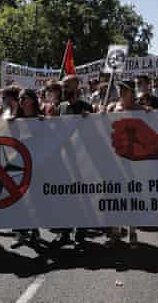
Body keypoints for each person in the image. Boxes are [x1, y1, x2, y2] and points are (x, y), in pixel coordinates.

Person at [54, 75, 94, 246]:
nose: (64, 89)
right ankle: (65, 231)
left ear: (76, 87)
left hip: (82, 159)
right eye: (63, 86)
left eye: (67, 86)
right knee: (65, 196)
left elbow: (94, 133)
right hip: (65, 158)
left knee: (82, 195)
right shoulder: (60, 107)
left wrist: (89, 120)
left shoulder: (86, 107)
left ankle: (82, 230)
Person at [105, 80, 146, 248]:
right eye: (120, 88)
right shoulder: (112, 108)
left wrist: (151, 114)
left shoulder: (139, 110)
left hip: (133, 160)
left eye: (125, 89)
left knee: (132, 195)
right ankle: (115, 232)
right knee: (115, 195)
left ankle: (132, 232)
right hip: (115, 159)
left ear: (132, 92)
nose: (121, 92)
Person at [11, 88, 45, 246]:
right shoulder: (13, 118)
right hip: (18, 164)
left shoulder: (41, 119)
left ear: (32, 100)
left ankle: (34, 230)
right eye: (19, 98)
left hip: (37, 164)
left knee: (35, 198)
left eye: (24, 97)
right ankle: (20, 232)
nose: (21, 101)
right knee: (19, 198)